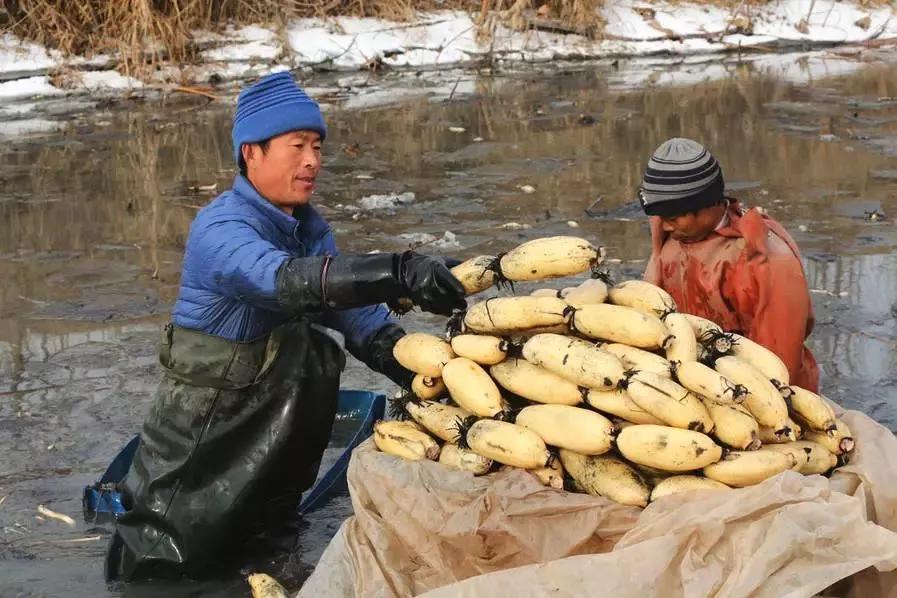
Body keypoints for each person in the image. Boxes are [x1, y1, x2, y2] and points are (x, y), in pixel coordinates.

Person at [105, 71, 467, 581]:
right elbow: (285, 282)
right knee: (173, 576)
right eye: (297, 145)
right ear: (251, 153)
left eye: (317, 146)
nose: (313, 161)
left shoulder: (308, 233)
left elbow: (353, 315)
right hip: (190, 490)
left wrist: (420, 367)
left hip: (270, 483)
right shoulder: (222, 228)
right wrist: (399, 270)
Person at [639, 137, 819, 391]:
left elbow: (778, 366)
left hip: (754, 388)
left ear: (706, 204)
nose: (665, 225)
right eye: (660, 217)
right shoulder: (670, 233)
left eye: (673, 217)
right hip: (689, 377)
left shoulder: (770, 263)